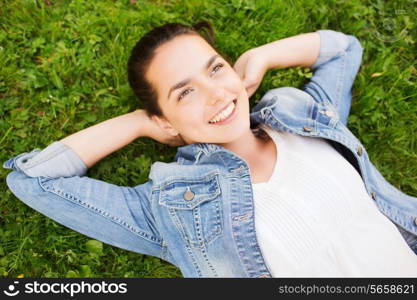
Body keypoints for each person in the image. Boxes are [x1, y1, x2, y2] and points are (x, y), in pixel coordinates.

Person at [4, 21, 417, 278]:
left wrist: (262, 57)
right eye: (185, 93)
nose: (216, 94)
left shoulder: (303, 117)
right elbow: (33, 181)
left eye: (215, 68)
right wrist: (137, 123)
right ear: (165, 119)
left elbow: (344, 49)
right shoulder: (171, 207)